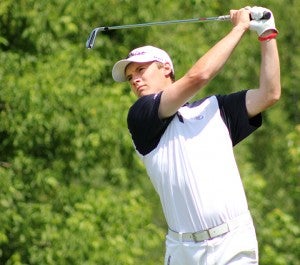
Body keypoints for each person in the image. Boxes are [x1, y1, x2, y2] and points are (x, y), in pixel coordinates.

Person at [112, 6, 280, 265]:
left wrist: (266, 34)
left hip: (233, 241)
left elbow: (269, 94)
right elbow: (199, 76)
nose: (135, 80)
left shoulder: (216, 109)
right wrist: (239, 28)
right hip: (183, 251)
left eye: (141, 70)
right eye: (130, 76)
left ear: (166, 68)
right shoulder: (141, 116)